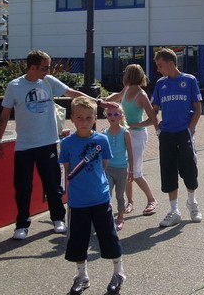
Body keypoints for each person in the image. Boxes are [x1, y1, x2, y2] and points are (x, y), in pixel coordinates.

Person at [0, 50, 116, 241]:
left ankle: (58, 218)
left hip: (48, 142)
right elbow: (4, 116)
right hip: (24, 145)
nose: (48, 71)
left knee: (52, 184)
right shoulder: (14, 86)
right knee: (23, 186)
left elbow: (72, 94)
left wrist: (100, 102)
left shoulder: (49, 81)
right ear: (32, 67)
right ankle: (22, 224)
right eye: (44, 67)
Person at [59, 97, 125, 295]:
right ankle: (82, 275)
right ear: (72, 119)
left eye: (89, 118)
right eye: (80, 118)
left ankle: (118, 272)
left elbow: (104, 165)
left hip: (100, 198)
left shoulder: (101, 140)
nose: (84, 122)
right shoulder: (67, 143)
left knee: (108, 237)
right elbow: (68, 168)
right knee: (78, 240)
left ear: (95, 118)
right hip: (78, 202)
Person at [151, 48, 204, 227]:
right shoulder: (160, 84)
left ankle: (192, 202)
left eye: (160, 65)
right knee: (168, 170)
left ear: (171, 63)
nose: (158, 69)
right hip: (167, 134)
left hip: (184, 133)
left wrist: (189, 130)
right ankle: (174, 211)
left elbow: (197, 109)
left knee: (189, 168)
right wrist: (158, 129)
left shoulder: (189, 80)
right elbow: (154, 109)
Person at [104, 64, 158, 216]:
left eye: (125, 73)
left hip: (137, 135)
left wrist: (135, 124)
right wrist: (105, 100)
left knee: (135, 171)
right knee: (125, 170)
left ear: (128, 75)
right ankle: (130, 202)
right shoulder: (127, 89)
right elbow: (118, 95)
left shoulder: (141, 95)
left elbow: (153, 119)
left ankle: (151, 199)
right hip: (125, 133)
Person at [103, 103, 134, 231]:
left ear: (121, 116)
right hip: (108, 168)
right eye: (109, 114)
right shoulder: (104, 133)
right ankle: (106, 217)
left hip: (121, 169)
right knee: (106, 194)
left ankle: (120, 217)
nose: (113, 117)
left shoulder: (125, 132)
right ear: (106, 116)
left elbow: (131, 153)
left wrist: (131, 170)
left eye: (116, 114)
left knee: (120, 195)